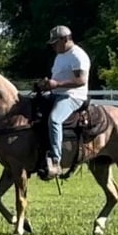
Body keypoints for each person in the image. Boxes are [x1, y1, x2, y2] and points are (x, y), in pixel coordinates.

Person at [37, 25, 91, 180]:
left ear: (66, 39)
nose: (53, 46)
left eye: (55, 42)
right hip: (56, 94)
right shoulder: (60, 55)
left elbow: (81, 80)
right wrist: (46, 84)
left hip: (73, 96)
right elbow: (58, 78)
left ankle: (55, 160)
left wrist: (56, 85)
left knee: (54, 120)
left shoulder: (78, 55)